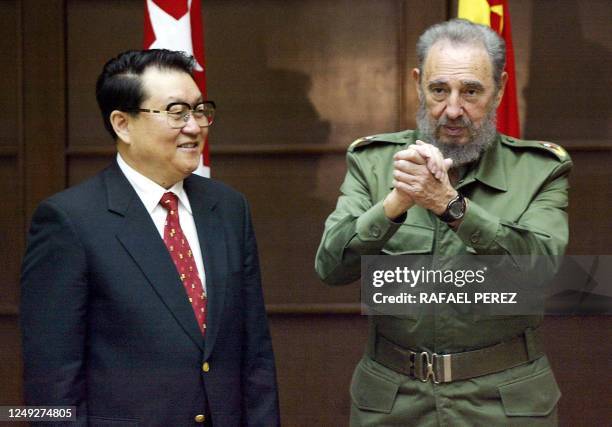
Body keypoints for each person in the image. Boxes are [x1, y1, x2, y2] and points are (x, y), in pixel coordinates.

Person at [315, 19, 572, 426]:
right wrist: (395, 203)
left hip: (504, 402)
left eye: (471, 91)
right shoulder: (373, 162)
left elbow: (543, 274)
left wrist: (451, 206)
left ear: (500, 88)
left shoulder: (540, 170)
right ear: (418, 83)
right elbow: (330, 268)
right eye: (439, 90)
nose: (453, 109)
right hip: (394, 401)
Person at [20, 49, 279, 427]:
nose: (195, 127)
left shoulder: (228, 208)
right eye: (177, 113)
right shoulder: (69, 222)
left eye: (200, 110)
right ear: (122, 124)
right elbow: (51, 381)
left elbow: (255, 355)